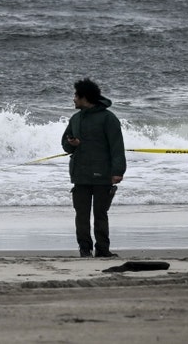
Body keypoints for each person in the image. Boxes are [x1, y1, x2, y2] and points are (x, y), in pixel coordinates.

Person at [61, 78, 125, 258]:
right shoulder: (75, 118)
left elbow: (117, 147)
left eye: (76, 96)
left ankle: (103, 249)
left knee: (100, 215)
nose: (73, 99)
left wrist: (118, 171)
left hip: (102, 175)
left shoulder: (108, 118)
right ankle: (84, 249)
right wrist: (73, 144)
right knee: (81, 215)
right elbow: (65, 145)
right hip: (80, 175)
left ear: (84, 98)